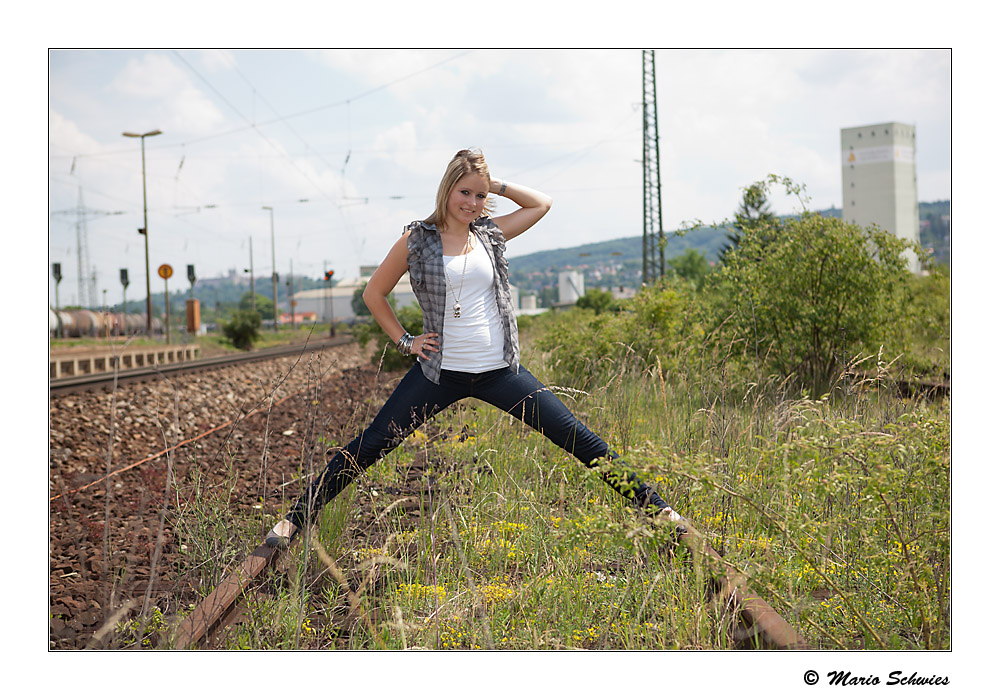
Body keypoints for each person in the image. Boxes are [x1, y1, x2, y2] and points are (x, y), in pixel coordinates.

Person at [265, 149, 684, 548]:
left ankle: (659, 511)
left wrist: (494, 183)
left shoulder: (490, 234)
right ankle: (295, 520)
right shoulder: (417, 240)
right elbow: (375, 294)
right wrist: (406, 341)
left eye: (480, 195)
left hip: (499, 371)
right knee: (372, 443)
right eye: (465, 191)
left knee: (576, 436)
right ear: (447, 189)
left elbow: (542, 203)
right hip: (439, 373)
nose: (472, 202)